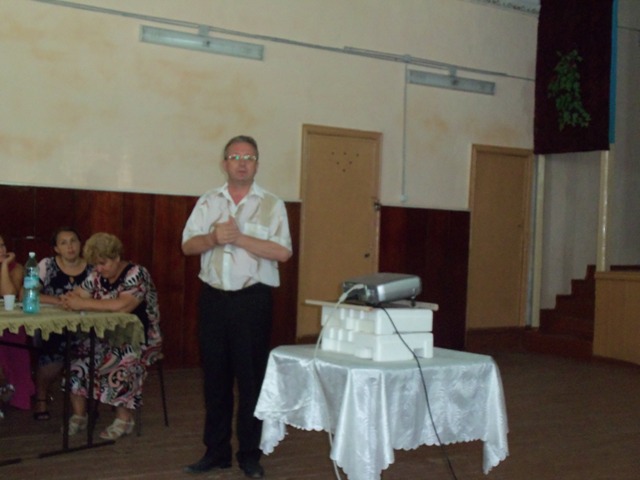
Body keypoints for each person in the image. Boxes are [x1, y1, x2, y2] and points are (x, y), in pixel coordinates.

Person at [181, 135, 292, 479]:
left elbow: (283, 252)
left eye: (249, 157)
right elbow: (188, 246)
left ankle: (249, 454)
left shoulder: (272, 204)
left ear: (257, 164)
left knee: (251, 380)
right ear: (224, 163)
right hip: (214, 300)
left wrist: (239, 238)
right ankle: (216, 452)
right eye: (235, 157)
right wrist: (213, 239)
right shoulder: (208, 201)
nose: (242, 163)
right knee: (215, 379)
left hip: (252, 302)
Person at [60, 232, 162, 440]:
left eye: (103, 263)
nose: (98, 269)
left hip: (138, 339)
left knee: (120, 358)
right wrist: (73, 299)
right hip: (105, 337)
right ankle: (80, 416)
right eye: (95, 264)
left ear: (116, 257)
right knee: (76, 359)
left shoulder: (136, 273)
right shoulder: (97, 275)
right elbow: (77, 295)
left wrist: (83, 303)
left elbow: (123, 306)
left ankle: (124, 420)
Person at [33, 227, 93, 421]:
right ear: (56, 248)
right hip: (53, 326)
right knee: (52, 357)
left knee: (89, 349)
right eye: (64, 243)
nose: (70, 246)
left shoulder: (92, 268)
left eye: (73, 241)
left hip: (85, 326)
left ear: (81, 244)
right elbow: (27, 293)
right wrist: (58, 300)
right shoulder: (46, 265)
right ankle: (41, 398)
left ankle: (83, 405)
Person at [0, 234, 35, 418]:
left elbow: (9, 294)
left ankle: (11, 390)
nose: (1, 250)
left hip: (10, 324)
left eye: (2, 245)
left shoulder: (17, 268)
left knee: (14, 338)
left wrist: (4, 266)